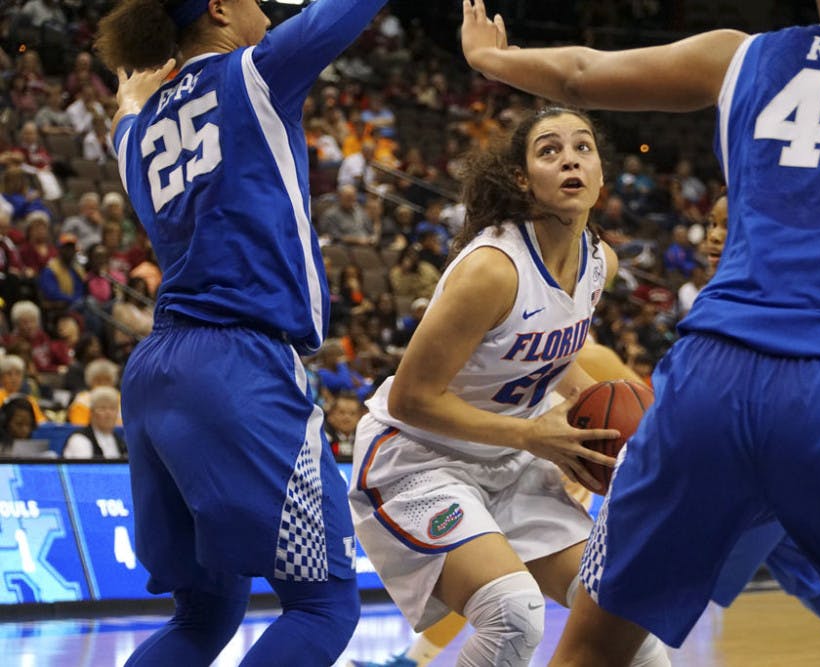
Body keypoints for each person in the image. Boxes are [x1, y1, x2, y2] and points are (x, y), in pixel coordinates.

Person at [461, 1, 820, 664]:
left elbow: (578, 73)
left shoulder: (739, 55)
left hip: (712, 383)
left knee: (591, 650)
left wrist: (493, 58)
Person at [94, 0, 387, 664]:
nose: (271, 13)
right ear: (221, 8)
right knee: (323, 603)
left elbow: (125, 121)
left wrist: (129, 96)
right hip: (239, 363)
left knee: (205, 613)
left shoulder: (138, 136)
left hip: (159, 373)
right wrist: (128, 98)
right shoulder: (254, 72)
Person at [348, 107, 669, 667]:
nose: (569, 157)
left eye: (583, 147)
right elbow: (411, 399)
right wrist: (531, 435)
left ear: (599, 174)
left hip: (509, 460)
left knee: (625, 615)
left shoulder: (600, 264)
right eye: (548, 150)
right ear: (522, 179)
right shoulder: (493, 269)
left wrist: (598, 435)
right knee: (512, 613)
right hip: (418, 459)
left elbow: (554, 355)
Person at [62, 386, 127, 459]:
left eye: (112, 408)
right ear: (91, 413)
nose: (108, 413)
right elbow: (84, 469)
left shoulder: (120, 441)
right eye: (102, 408)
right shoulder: (79, 439)